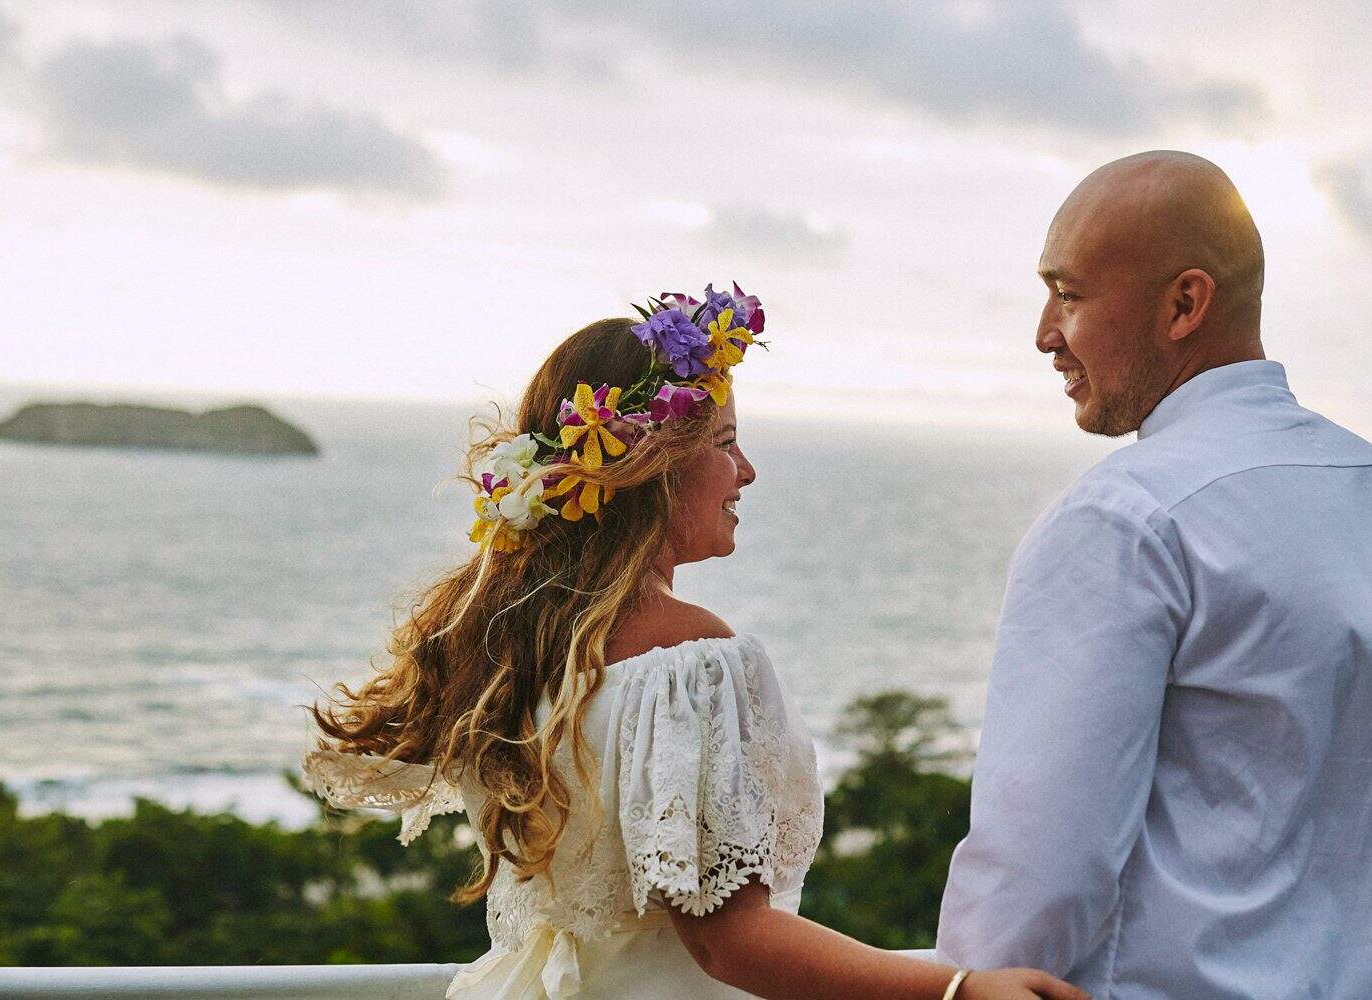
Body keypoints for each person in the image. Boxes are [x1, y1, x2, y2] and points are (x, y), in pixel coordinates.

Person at [304, 287, 1086, 1000]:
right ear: (655, 466)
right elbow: (727, 939)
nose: (745, 470)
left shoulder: (517, 645)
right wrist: (956, 991)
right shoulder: (692, 663)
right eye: (725, 441)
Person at [937, 151, 1372, 997]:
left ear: (1184, 303)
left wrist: (966, 984)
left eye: (1068, 294)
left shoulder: (1123, 521)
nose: (1042, 332)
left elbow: (1037, 875)